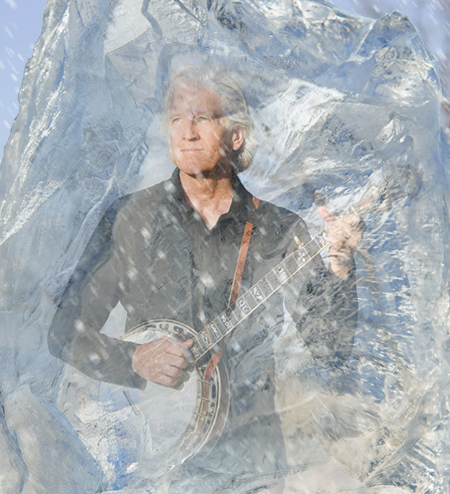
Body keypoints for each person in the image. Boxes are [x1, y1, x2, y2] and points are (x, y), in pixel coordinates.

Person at [47, 65, 362, 491]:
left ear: (236, 136)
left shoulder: (280, 229)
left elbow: (330, 347)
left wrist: (340, 267)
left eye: (202, 118)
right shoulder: (129, 218)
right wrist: (133, 360)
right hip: (153, 468)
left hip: (253, 465)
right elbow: (65, 331)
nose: (186, 132)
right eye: (176, 119)